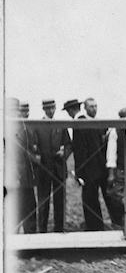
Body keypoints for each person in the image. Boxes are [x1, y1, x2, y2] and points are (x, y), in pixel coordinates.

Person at [70, 98, 124, 230]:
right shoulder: (83, 123)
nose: (94, 109)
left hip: (100, 169)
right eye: (91, 107)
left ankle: (114, 224)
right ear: (85, 108)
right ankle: (98, 226)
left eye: (95, 106)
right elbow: (79, 150)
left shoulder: (99, 123)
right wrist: (80, 171)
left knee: (105, 197)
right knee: (92, 199)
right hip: (91, 169)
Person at [35, 99, 72, 232]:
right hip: (44, 169)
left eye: (52, 108)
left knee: (60, 200)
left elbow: (69, 144)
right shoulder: (37, 126)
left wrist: (64, 152)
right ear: (43, 109)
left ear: (55, 108)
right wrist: (39, 157)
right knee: (43, 200)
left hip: (59, 169)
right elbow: (35, 147)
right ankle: (42, 229)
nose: (51, 111)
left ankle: (59, 228)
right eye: (48, 109)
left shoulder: (61, 125)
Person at [5, 98, 39, 233]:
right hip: (17, 177)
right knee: (21, 209)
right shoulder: (11, 126)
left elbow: (29, 147)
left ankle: (26, 238)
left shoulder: (23, 126)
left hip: (25, 176)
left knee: (27, 207)